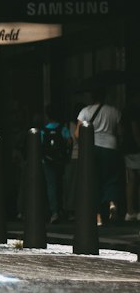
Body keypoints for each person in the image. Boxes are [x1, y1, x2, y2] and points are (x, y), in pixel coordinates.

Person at [73, 86, 122, 226]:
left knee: (94, 181)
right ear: (105, 96)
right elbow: (120, 132)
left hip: (92, 148)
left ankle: (98, 216)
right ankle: (112, 203)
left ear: (91, 97)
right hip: (111, 147)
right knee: (111, 178)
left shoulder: (85, 111)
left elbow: (77, 133)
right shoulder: (114, 111)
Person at [39, 105, 71, 223]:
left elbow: (40, 146)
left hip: (47, 161)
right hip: (60, 160)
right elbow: (69, 141)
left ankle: (54, 212)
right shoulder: (63, 128)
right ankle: (64, 209)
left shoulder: (43, 130)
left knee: (51, 185)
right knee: (62, 184)